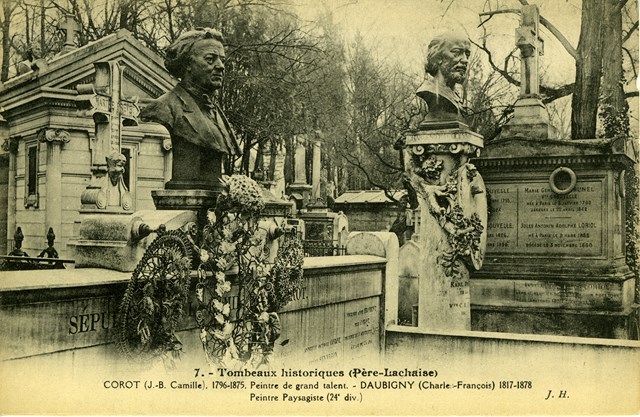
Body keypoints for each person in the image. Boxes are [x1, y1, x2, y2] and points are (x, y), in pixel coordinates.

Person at [141, 28, 241, 191]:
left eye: (222, 60)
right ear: (188, 64)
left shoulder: (215, 111)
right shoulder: (164, 108)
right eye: (210, 59)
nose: (221, 66)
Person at [416, 32, 471, 122]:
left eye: (467, 55)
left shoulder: (456, 97)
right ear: (438, 57)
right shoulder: (429, 90)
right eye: (456, 53)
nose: (465, 60)